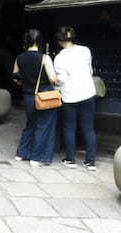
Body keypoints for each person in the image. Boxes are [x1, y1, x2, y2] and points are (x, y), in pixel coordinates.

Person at [53, 26, 98, 171]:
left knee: (69, 127)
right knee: (88, 127)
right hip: (88, 93)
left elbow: (61, 80)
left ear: (59, 40)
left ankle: (70, 159)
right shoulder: (85, 50)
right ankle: (90, 162)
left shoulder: (59, 58)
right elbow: (90, 70)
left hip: (70, 96)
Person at [12, 29, 58, 167]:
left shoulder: (19, 57)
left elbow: (15, 77)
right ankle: (36, 158)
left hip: (27, 96)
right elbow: (53, 79)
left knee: (30, 124)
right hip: (43, 97)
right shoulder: (45, 58)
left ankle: (21, 154)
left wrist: (26, 83)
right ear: (40, 41)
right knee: (43, 126)